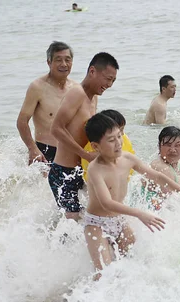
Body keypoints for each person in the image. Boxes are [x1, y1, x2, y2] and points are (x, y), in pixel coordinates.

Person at [84, 113, 180, 278]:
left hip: (119, 220)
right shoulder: (95, 169)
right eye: (111, 140)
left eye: (119, 136)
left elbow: (157, 176)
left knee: (133, 263)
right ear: (95, 146)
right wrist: (139, 213)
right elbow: (107, 203)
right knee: (104, 275)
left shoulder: (127, 158)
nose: (118, 143)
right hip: (96, 224)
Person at [48, 52, 119, 221]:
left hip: (83, 171)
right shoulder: (76, 93)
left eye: (113, 81)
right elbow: (56, 128)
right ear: (92, 71)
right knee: (73, 220)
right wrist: (85, 154)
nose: (109, 85)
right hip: (63, 171)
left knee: (96, 216)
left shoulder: (93, 98)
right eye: (107, 79)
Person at [16, 42, 76, 165]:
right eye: (58, 60)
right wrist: (33, 149)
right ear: (49, 62)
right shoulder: (37, 87)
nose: (64, 64)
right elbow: (22, 122)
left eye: (67, 60)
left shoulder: (76, 88)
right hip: (45, 152)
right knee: (44, 185)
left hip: (71, 152)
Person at [142, 126, 180, 210]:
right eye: (168, 145)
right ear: (159, 147)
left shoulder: (179, 166)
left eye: (178, 145)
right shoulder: (159, 167)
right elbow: (174, 203)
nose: (173, 150)